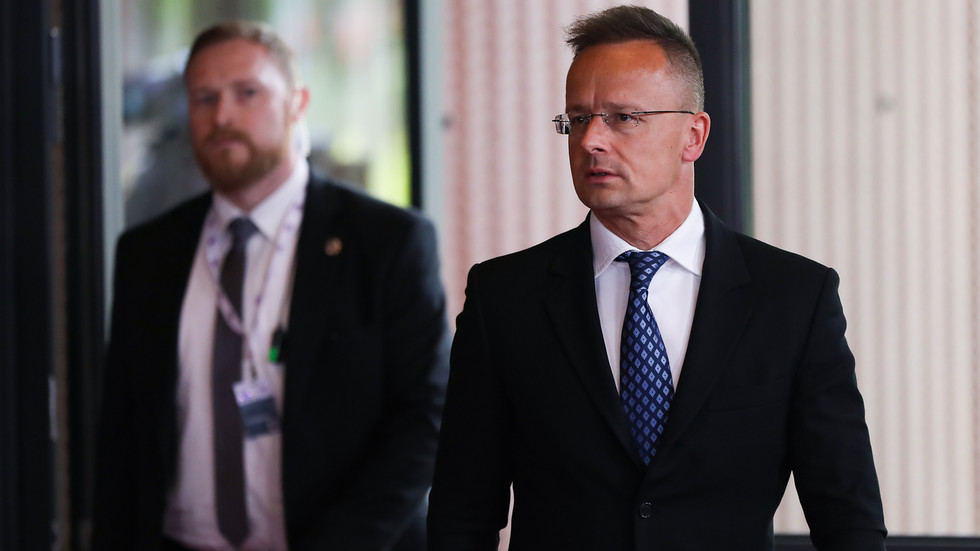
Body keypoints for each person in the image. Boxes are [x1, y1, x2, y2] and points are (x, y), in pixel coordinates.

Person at [427, 5, 886, 550]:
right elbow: (462, 512)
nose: (591, 140)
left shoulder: (793, 298)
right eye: (577, 118)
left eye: (624, 117)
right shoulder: (504, 298)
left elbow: (847, 516)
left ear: (693, 136)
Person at [92, 21, 450, 551]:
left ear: (297, 103)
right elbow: (122, 437)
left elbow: (429, 417)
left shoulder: (387, 242)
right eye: (204, 98)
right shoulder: (148, 254)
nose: (223, 116)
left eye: (248, 93)